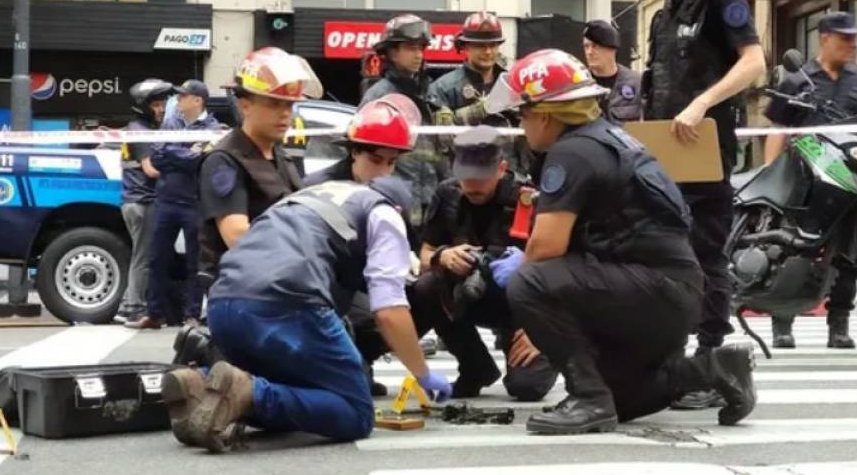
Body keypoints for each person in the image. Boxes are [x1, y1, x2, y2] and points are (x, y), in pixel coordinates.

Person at [482, 48, 756, 434]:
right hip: (668, 294)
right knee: (625, 399)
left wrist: (529, 316)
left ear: (544, 113)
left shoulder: (571, 152)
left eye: (522, 114)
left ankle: (588, 399)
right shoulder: (609, 137)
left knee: (528, 281)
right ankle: (712, 369)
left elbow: (546, 248)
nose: (521, 125)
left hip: (652, 289)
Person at [161, 177, 452, 452]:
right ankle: (249, 394)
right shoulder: (384, 213)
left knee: (296, 390)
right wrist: (422, 373)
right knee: (356, 412)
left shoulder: (304, 199)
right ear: (400, 210)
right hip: (288, 304)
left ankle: (201, 383)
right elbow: (389, 308)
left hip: (223, 304)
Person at [634, 0, 767, 409]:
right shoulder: (664, 10)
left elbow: (754, 61)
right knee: (666, 252)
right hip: (664, 153)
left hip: (707, 147)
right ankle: (673, 356)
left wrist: (703, 101)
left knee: (706, 253)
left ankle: (713, 363)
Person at [416, 125, 558, 400]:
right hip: (467, 294)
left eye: (481, 177)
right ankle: (475, 367)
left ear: (502, 168)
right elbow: (425, 254)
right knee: (427, 286)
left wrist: (542, 331)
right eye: (466, 177)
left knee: (528, 387)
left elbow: (558, 269)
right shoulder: (447, 194)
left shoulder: (527, 201)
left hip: (522, 306)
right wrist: (442, 256)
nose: (472, 185)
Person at [303, 94, 425, 395]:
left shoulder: (391, 195)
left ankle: (362, 359)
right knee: (379, 311)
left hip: (371, 282)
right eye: (375, 160)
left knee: (429, 293)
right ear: (353, 152)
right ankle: (347, 363)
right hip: (326, 285)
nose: (383, 171)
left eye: (392, 163)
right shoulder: (317, 189)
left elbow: (413, 246)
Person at [763, 12, 857, 350]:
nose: (853, 45)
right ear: (824, 38)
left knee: (847, 257)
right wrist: (771, 175)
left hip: (850, 179)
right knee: (793, 251)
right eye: (845, 38)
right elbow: (778, 130)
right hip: (804, 180)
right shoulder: (797, 80)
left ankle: (838, 325)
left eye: (855, 38)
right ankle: (783, 323)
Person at [197, 47, 319, 289]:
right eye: (275, 104)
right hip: (245, 292)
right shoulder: (224, 160)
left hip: (284, 283)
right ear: (245, 105)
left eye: (290, 105)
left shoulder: (279, 155)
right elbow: (239, 237)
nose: (286, 114)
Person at [128, 81, 220, 329]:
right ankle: (154, 314)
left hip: (193, 202)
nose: (177, 101)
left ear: (197, 100)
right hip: (165, 200)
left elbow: (200, 160)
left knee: (194, 261)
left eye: (183, 97)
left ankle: (191, 315)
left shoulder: (212, 128)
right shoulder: (171, 123)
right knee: (157, 259)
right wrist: (187, 154)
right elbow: (158, 156)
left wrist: (175, 155)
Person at [360, 14, 450, 231]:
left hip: (430, 206)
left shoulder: (431, 95)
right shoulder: (379, 98)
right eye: (411, 48)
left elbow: (441, 151)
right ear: (391, 52)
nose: (418, 55)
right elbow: (364, 158)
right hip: (393, 206)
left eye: (421, 48)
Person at [428, 11, 531, 175]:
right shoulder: (443, 88)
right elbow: (442, 139)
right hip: (468, 178)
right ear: (466, 47)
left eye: (493, 45)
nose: (488, 52)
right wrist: (480, 110)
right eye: (481, 46)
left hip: (511, 176)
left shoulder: (514, 84)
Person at [114, 79, 173, 324]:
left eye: (162, 105)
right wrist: (178, 165)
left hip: (133, 200)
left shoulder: (136, 128)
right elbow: (150, 169)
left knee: (140, 254)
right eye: (157, 105)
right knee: (144, 257)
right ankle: (134, 307)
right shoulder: (141, 131)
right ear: (144, 106)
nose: (161, 109)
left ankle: (127, 304)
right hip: (142, 201)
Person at [582, 19, 643, 124]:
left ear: (612, 48)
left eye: (595, 46)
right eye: (586, 46)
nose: (589, 52)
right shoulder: (580, 85)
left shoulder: (637, 82)